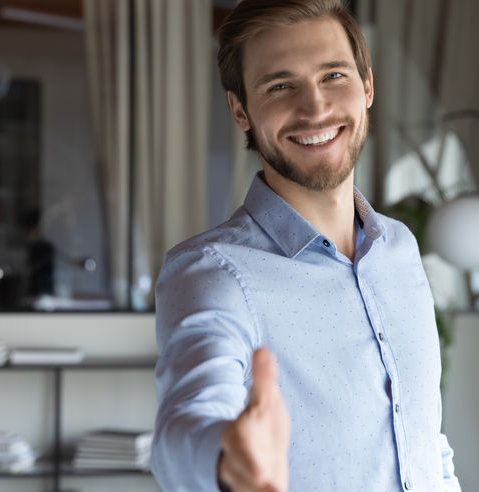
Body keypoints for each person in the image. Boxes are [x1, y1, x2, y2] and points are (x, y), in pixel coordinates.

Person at [152, 1, 461, 490]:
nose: (315, 108)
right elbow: (183, 427)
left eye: (333, 76)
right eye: (280, 86)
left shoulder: (400, 249)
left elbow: (427, 445)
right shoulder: (212, 272)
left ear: (368, 87)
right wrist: (226, 458)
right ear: (240, 110)